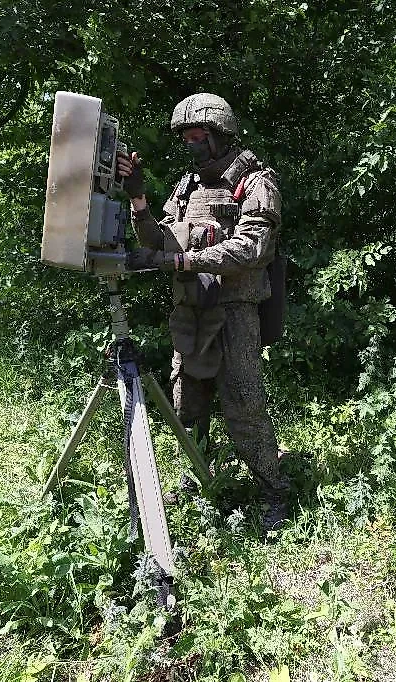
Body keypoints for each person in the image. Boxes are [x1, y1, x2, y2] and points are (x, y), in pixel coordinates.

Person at [116, 93, 290, 532]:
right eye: (186, 137)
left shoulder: (255, 182)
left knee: (243, 402)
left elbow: (251, 249)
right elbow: (160, 240)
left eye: (198, 136)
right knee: (187, 399)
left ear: (219, 134)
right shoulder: (188, 186)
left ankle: (273, 490)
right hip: (192, 310)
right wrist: (138, 200)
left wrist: (182, 261)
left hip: (234, 312)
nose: (191, 144)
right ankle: (200, 476)